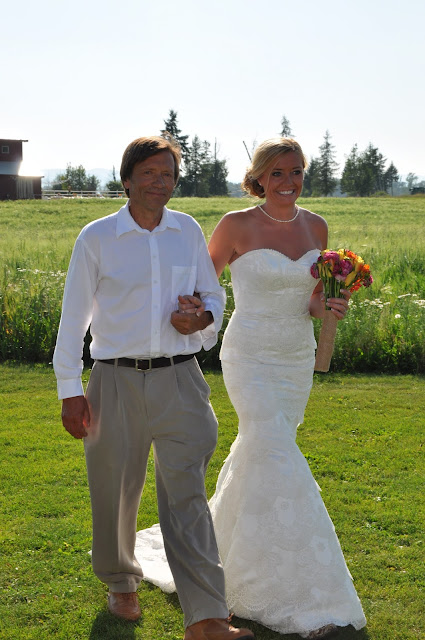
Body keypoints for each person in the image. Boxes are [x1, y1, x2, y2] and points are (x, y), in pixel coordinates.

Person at [134, 138, 367, 640]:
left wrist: (330, 305)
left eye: (296, 171)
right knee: (275, 449)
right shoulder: (235, 224)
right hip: (250, 355)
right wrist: (188, 315)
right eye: (277, 172)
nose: (288, 181)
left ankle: (225, 554)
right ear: (259, 177)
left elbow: (311, 302)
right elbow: (203, 285)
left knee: (264, 453)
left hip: (296, 358)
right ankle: (306, 595)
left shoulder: (317, 227)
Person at [53, 135, 255, 640]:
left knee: (187, 495)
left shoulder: (187, 231)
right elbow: (73, 320)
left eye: (167, 174)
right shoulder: (97, 237)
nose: (158, 182)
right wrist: (69, 389)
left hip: (180, 379)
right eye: (148, 173)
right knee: (115, 489)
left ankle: (206, 616)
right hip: (113, 380)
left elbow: (213, 297)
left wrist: (200, 320)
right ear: (127, 180)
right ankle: (121, 582)